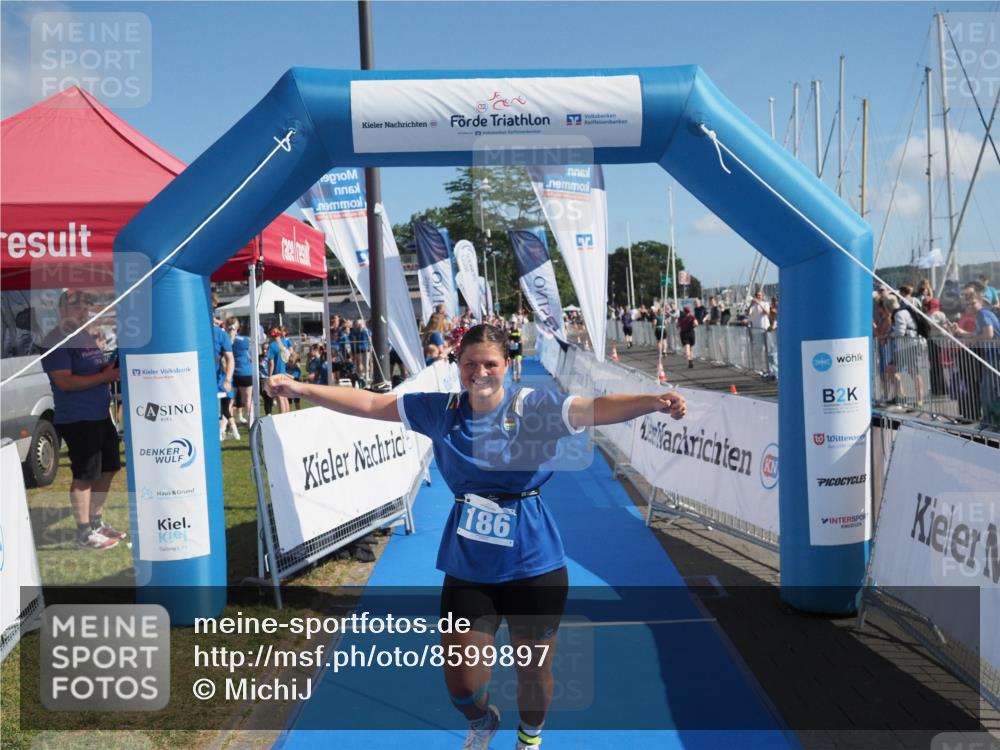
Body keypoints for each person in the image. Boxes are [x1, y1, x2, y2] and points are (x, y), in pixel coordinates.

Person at [265, 324, 686, 750]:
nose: (480, 372)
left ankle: (529, 738)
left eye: (490, 364)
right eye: (470, 364)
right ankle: (483, 719)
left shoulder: (533, 406)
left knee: (534, 671)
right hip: (469, 565)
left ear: (507, 366)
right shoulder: (442, 410)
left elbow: (595, 408)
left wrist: (652, 402)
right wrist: (301, 387)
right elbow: (373, 403)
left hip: (534, 562)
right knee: (462, 684)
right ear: (458, 365)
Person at [42, 290, 127, 550]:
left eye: (86, 308)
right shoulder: (55, 340)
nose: (84, 312)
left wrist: (108, 369)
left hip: (100, 414)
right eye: (77, 307)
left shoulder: (84, 337)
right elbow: (65, 381)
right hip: (78, 418)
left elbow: (92, 370)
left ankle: (96, 521)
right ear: (62, 310)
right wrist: (104, 378)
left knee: (109, 467)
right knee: (85, 474)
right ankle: (84, 532)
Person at [213, 311, 237, 441]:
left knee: (224, 410)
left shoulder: (220, 334)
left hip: (219, 382)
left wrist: (227, 379)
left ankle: (221, 432)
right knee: (226, 409)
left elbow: (230, 359)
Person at [228, 317, 254, 425]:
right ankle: (251, 424)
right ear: (238, 327)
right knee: (248, 400)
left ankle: (228, 425)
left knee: (230, 402)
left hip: (232, 373)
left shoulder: (226, 340)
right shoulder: (245, 340)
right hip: (245, 373)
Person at [267, 327, 290, 413]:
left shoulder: (272, 345)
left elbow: (271, 363)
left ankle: (282, 418)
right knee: (285, 398)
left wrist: (269, 376)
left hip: (276, 374)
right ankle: (287, 416)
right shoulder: (284, 342)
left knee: (280, 398)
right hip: (283, 373)